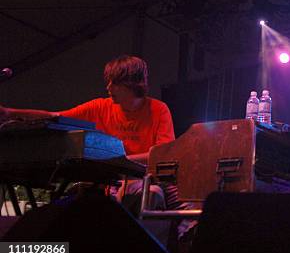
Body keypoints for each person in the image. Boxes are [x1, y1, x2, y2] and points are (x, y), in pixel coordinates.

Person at [0, 55, 174, 209]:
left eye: (114, 82)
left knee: (156, 195)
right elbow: (56, 117)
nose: (108, 87)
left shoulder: (158, 109)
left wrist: (119, 161)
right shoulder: (100, 106)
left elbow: (163, 154)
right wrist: (10, 113)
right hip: (108, 181)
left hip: (142, 180)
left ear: (131, 84)